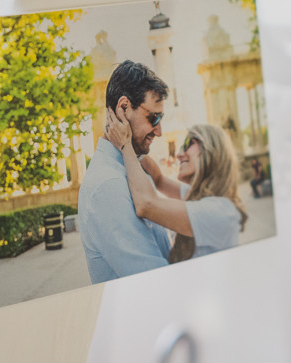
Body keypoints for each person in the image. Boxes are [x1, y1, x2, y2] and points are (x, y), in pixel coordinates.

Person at [103, 111, 247, 262]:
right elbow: (158, 180)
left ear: (212, 149)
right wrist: (137, 147)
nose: (178, 154)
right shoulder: (202, 198)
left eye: (187, 144)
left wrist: (125, 144)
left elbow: (146, 204)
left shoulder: (220, 211)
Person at [78, 60, 173, 282]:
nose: (159, 131)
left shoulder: (130, 170)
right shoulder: (108, 186)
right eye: (154, 118)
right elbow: (153, 280)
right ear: (123, 109)